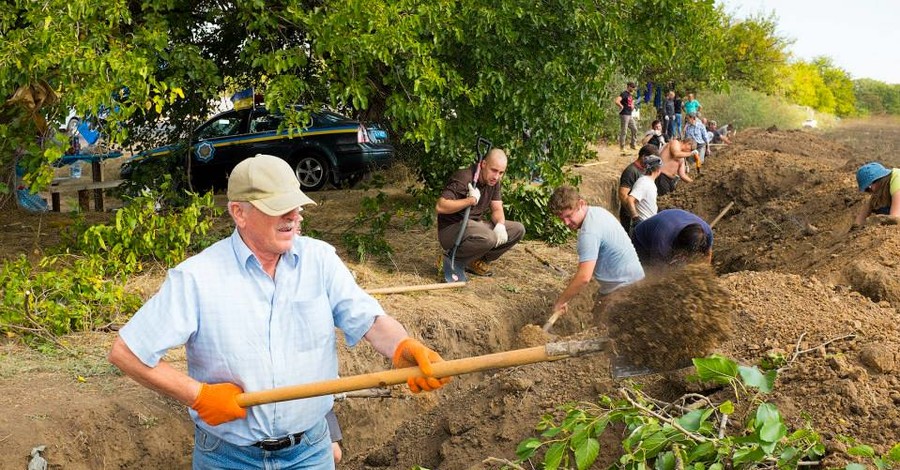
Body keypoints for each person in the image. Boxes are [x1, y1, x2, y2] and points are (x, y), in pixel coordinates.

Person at [108, 154, 450, 469]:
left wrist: (403, 346)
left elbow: (369, 320)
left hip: (310, 451)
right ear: (239, 213)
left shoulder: (320, 261)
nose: (293, 216)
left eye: (296, 206)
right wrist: (198, 396)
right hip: (228, 458)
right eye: (279, 208)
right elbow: (127, 351)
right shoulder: (198, 278)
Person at [549, 186, 645, 315]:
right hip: (634, 282)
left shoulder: (589, 232)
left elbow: (584, 277)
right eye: (562, 219)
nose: (566, 223)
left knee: (602, 328)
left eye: (569, 216)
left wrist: (561, 302)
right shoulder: (597, 212)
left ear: (581, 204)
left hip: (624, 289)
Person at [436, 148, 525, 277]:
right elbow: (440, 206)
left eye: (501, 173)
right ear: (483, 164)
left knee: (517, 229)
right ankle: (450, 260)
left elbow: (497, 208)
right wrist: (470, 200)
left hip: (475, 226)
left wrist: (500, 225)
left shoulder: (494, 182)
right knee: (489, 237)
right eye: (494, 170)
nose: (496, 176)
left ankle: (475, 261)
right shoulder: (464, 177)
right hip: (451, 229)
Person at [631, 209, 713, 268]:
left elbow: (707, 255)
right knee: (644, 271)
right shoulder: (662, 240)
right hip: (641, 241)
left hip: (671, 220)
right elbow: (657, 271)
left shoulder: (707, 232)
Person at [618, 144, 659, 233]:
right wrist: (634, 214)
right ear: (643, 156)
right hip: (630, 217)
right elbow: (622, 194)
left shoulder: (644, 170)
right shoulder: (631, 171)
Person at [854, 162, 900, 226]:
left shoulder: (897, 181)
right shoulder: (884, 184)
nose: (870, 193)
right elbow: (869, 205)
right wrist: (856, 226)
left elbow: (895, 219)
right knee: (879, 206)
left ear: (871, 185)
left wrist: (875, 221)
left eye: (868, 189)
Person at [624, 155, 663, 226]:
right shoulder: (644, 182)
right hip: (643, 224)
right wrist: (636, 218)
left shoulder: (649, 182)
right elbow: (630, 200)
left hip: (648, 223)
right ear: (658, 170)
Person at [615, 82, 639, 154]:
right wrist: (621, 106)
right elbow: (617, 101)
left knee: (634, 129)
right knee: (624, 131)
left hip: (629, 114)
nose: (633, 88)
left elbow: (630, 104)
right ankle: (622, 147)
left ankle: (633, 145)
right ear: (628, 86)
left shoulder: (630, 95)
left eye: (634, 87)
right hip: (624, 114)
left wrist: (632, 106)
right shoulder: (624, 93)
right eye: (632, 87)